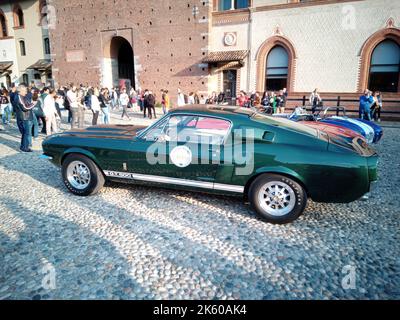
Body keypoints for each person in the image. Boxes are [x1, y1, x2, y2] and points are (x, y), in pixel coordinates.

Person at [15, 84, 37, 152]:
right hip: (24, 118)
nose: (26, 92)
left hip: (25, 117)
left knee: (25, 133)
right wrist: (33, 104)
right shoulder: (19, 97)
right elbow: (25, 108)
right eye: (24, 91)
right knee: (26, 133)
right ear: (20, 91)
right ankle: (24, 147)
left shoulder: (21, 96)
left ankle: (24, 146)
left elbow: (25, 106)